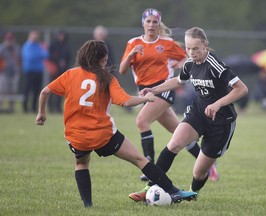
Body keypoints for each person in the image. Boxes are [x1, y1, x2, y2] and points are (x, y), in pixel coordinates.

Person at [35, 40, 197, 208]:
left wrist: (42, 113)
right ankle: (172, 190)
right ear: (104, 59)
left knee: (81, 163)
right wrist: (146, 98)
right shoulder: (107, 79)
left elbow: (45, 91)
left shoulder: (70, 74)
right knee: (139, 159)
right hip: (103, 135)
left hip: (76, 136)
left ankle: (88, 205)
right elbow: (125, 101)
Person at [129, 27, 248, 202]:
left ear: (205, 46)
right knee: (174, 143)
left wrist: (217, 103)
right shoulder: (190, 65)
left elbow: (241, 89)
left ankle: (192, 193)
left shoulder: (216, 65)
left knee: (199, 173)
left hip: (221, 122)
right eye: (188, 48)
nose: (191, 53)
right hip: (198, 113)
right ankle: (149, 187)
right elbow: (178, 80)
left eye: (195, 48)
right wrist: (153, 89)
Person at [119, 8, 216, 182]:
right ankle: (208, 164)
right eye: (148, 21)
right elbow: (122, 70)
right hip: (145, 91)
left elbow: (188, 56)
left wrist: (180, 64)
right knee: (179, 132)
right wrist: (132, 54)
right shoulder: (133, 43)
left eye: (155, 22)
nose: (151, 25)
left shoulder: (166, 43)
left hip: (163, 88)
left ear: (158, 24)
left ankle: (149, 165)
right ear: (143, 23)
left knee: (141, 121)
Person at [21, 30, 48, 113]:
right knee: (28, 89)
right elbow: (30, 57)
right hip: (30, 71)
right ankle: (25, 108)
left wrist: (38, 55)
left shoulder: (38, 46)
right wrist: (39, 55)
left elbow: (46, 54)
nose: (35, 38)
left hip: (38, 71)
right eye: (33, 36)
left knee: (37, 90)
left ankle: (34, 108)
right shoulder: (27, 46)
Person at [47, 30, 71, 113]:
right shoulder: (53, 44)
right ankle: (50, 107)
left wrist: (64, 62)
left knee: (60, 90)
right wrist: (58, 61)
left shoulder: (66, 45)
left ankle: (57, 107)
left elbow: (68, 56)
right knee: (52, 88)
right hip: (54, 70)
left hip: (62, 71)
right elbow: (49, 56)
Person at [0, 32, 21, 113]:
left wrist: (18, 69)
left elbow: (19, 59)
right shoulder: (2, 48)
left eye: (11, 39)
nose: (9, 41)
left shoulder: (16, 48)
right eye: (8, 39)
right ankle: (0, 108)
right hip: (4, 73)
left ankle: (11, 108)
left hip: (14, 73)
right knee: (2, 91)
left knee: (13, 92)